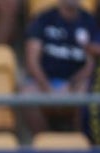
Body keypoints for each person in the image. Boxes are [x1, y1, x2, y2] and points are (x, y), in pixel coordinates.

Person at [20, 0, 97, 135]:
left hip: (75, 84)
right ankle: (43, 142)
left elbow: (91, 64)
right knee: (26, 94)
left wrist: (71, 84)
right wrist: (46, 87)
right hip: (45, 81)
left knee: (86, 91)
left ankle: (80, 142)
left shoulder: (90, 22)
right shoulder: (43, 19)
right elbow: (32, 61)